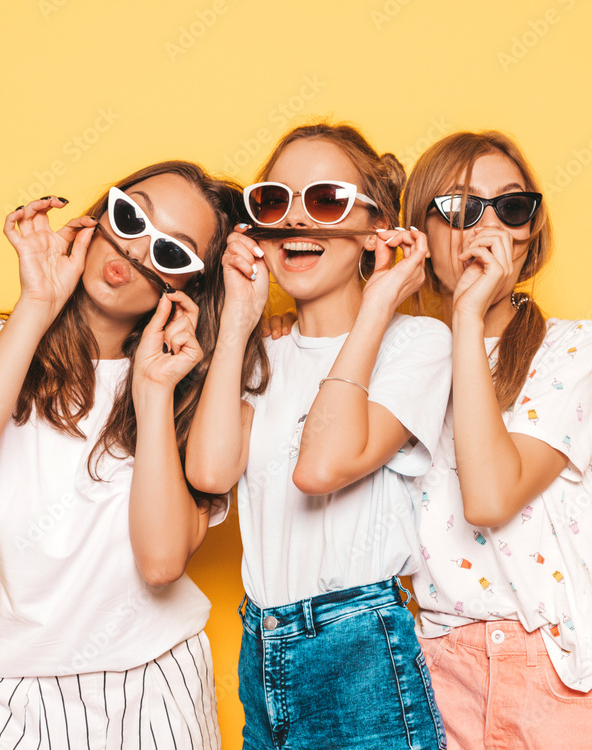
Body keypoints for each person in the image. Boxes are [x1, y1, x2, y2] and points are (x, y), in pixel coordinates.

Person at [0, 161, 244, 749]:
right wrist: (37, 304)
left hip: (155, 681)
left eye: (171, 251)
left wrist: (153, 391)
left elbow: (161, 563)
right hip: (10, 689)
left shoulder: (193, 389)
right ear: (98, 215)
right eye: (130, 215)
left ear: (187, 286)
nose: (138, 248)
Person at [185, 122, 451, 750]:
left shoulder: (417, 344)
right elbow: (209, 473)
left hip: (361, 645)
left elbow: (322, 467)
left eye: (326, 200)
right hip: (261, 643)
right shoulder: (258, 354)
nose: (298, 222)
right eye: (275, 201)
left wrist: (381, 302)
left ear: (375, 229)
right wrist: (239, 322)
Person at [403, 131, 592, 749]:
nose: (485, 228)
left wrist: (469, 315)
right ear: (421, 235)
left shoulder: (574, 347)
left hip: (558, 664)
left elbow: (490, 497)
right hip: (438, 664)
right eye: (459, 208)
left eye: (509, 208)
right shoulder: (402, 362)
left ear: (529, 232)